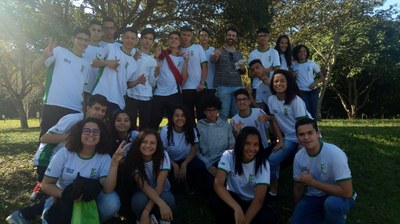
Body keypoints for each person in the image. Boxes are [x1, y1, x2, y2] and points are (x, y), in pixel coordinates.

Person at [6, 94, 109, 224]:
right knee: (62, 195)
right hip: (53, 159)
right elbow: (45, 138)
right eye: (96, 108)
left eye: (103, 111)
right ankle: (27, 213)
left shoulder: (100, 126)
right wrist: (73, 136)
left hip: (77, 162)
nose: (99, 113)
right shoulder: (73, 119)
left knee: (73, 193)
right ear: (87, 108)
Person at [41, 118, 123, 223]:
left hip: (89, 200)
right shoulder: (64, 153)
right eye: (86, 130)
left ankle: (94, 220)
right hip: (62, 196)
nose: (91, 134)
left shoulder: (104, 157)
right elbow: (46, 184)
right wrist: (67, 195)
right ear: (79, 133)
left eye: (96, 131)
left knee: (112, 202)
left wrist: (114, 163)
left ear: (101, 135)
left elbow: (107, 189)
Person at [291, 118, 355, 224]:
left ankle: (336, 214)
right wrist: (297, 210)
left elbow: (347, 192)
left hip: (338, 197)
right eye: (301, 134)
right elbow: (298, 187)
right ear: (297, 137)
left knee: (332, 204)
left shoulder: (334, 154)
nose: (306, 137)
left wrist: (311, 182)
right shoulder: (298, 157)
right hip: (313, 196)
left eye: (310, 133)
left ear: (318, 133)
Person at [32, 28, 91, 137]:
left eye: (86, 40)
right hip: (54, 104)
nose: (83, 42)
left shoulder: (87, 64)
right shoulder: (59, 51)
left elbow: (81, 88)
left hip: (75, 109)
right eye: (80, 38)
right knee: (46, 142)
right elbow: (34, 68)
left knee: (70, 145)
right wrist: (44, 56)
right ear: (73, 38)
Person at [211, 127, 277, 224]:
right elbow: (218, 184)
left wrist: (245, 221)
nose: (252, 149)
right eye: (247, 143)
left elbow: (259, 199)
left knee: (268, 218)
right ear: (240, 143)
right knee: (215, 202)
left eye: (256, 145)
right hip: (234, 198)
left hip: (252, 201)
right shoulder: (228, 155)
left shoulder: (263, 163)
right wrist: (237, 208)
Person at [267, 69, 312, 199]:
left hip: (306, 136)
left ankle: (309, 191)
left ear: (288, 83)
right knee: (272, 160)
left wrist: (301, 147)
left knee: (302, 164)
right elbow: (274, 120)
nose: (278, 83)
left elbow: (303, 125)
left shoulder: (295, 100)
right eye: (276, 81)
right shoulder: (271, 99)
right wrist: (280, 140)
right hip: (289, 138)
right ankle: (273, 189)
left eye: (282, 81)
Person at [126, 129, 175, 224]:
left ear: (157, 145)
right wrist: (147, 211)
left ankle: (162, 218)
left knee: (169, 200)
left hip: (161, 191)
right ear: (139, 144)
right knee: (138, 202)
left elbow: (159, 186)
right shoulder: (134, 158)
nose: (148, 146)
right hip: (143, 191)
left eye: (152, 143)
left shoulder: (163, 155)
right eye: (144, 142)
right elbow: (143, 186)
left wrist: (148, 210)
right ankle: (144, 219)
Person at [91, 27, 138, 119]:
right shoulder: (110, 48)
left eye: (133, 38)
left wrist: (138, 81)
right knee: (93, 126)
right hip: (100, 94)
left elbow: (127, 84)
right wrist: (107, 62)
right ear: (122, 38)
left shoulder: (134, 63)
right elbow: (93, 63)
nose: (130, 40)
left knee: (110, 131)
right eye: (127, 37)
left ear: (136, 41)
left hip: (118, 101)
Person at [196, 95, 235, 193]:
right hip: (206, 161)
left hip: (223, 160)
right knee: (208, 185)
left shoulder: (226, 125)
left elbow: (232, 146)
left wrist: (224, 162)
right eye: (208, 110)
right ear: (204, 111)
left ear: (218, 110)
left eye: (214, 109)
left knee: (220, 183)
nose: (211, 112)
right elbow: (196, 150)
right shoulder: (199, 127)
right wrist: (208, 165)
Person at [159, 105, 202, 195]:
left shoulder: (192, 129)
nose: (180, 118)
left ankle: (191, 184)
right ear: (172, 117)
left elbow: (194, 149)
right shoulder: (165, 130)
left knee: (199, 166)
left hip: (187, 160)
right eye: (177, 115)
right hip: (169, 161)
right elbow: (162, 151)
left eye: (183, 115)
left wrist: (184, 164)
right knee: (176, 190)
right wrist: (174, 165)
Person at [151, 31, 189, 129]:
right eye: (171, 38)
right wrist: (156, 56)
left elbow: (184, 78)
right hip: (159, 93)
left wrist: (186, 61)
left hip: (174, 94)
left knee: (174, 123)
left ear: (179, 42)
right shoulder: (161, 55)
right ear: (168, 41)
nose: (174, 40)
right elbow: (153, 73)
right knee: (154, 121)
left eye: (176, 38)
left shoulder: (181, 59)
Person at [125, 28, 159, 130]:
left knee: (144, 127)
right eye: (145, 38)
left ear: (152, 42)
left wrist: (156, 75)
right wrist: (133, 59)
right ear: (140, 39)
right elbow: (124, 71)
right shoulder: (132, 52)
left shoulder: (153, 60)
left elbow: (152, 83)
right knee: (130, 125)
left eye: (150, 39)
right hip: (131, 94)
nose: (147, 41)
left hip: (146, 95)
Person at [211, 27, 246, 121]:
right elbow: (213, 60)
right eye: (229, 35)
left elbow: (243, 72)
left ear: (236, 38)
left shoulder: (239, 54)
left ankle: (237, 134)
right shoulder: (218, 51)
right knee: (223, 113)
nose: (231, 37)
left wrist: (243, 69)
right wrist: (215, 55)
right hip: (223, 87)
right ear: (226, 36)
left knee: (237, 113)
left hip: (237, 86)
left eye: (233, 36)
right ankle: (223, 135)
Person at [180, 25, 208, 125]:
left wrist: (202, 83)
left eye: (188, 35)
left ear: (191, 36)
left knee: (202, 117)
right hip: (185, 89)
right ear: (180, 35)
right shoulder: (177, 51)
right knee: (189, 118)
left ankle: (203, 139)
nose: (186, 37)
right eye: (183, 34)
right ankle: (192, 139)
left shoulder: (198, 47)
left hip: (199, 87)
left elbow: (204, 66)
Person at [292, 44, 325, 120]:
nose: (302, 53)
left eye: (304, 51)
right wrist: (292, 75)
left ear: (307, 53)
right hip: (301, 91)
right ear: (296, 53)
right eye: (299, 52)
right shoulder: (294, 66)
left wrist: (315, 83)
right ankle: (308, 128)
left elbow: (322, 77)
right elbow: (291, 79)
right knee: (307, 111)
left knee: (314, 112)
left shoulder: (311, 63)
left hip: (313, 91)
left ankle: (315, 129)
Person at [248, 28, 280, 99]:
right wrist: (270, 69)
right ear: (257, 38)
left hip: (271, 85)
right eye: (260, 36)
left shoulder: (274, 52)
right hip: (256, 87)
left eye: (265, 35)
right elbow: (250, 74)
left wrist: (258, 71)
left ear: (268, 37)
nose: (262, 38)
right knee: (259, 109)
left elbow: (277, 70)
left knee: (272, 109)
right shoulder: (252, 54)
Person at [83, 20, 103, 99]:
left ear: (102, 33)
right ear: (89, 31)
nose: (96, 32)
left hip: (96, 90)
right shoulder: (82, 47)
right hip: (80, 87)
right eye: (93, 30)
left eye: (99, 31)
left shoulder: (104, 51)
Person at [198, 27, 216, 96]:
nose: (204, 37)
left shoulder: (213, 50)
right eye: (201, 35)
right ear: (199, 37)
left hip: (211, 84)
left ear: (208, 37)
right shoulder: (195, 49)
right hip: (198, 84)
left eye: (206, 35)